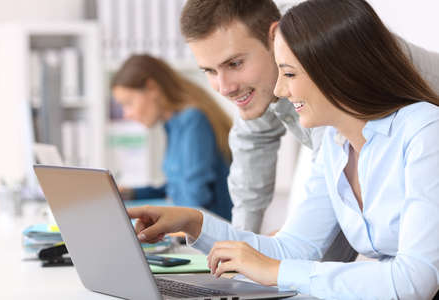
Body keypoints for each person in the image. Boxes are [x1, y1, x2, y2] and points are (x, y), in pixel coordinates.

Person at [127, 0, 439, 298]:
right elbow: (295, 249)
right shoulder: (334, 144)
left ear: (336, 69)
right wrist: (194, 222)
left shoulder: (424, 131)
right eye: (209, 71)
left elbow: (413, 281)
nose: (279, 90)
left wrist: (276, 271)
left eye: (289, 73)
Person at [179, 0, 439, 234]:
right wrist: (239, 247)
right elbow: (252, 144)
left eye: (234, 64)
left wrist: (273, 260)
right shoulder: (266, 57)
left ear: (273, 36)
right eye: (209, 71)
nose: (224, 88)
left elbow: (333, 215)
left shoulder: (325, 51)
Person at [111, 54, 233, 221]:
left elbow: (194, 200)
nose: (127, 114)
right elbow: (176, 188)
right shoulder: (173, 124)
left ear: (151, 88)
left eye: (129, 103)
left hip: (204, 239)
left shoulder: (193, 121)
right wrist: (130, 194)